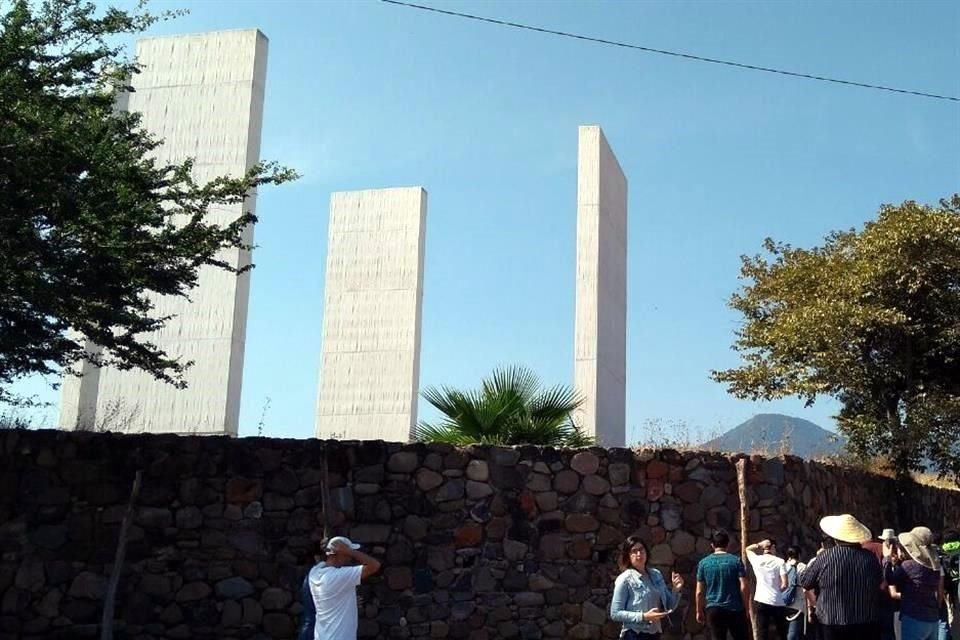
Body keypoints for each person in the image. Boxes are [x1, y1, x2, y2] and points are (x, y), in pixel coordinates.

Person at [799, 514, 882, 640]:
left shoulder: (826, 557)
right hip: (865, 621)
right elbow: (878, 580)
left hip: (831, 620)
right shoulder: (869, 558)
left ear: (835, 538)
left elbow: (805, 581)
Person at [610, 534, 684, 639]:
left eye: (641, 550)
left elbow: (669, 606)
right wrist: (643, 616)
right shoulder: (625, 579)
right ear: (628, 555)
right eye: (634, 551)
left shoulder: (656, 574)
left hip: (654, 633)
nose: (639, 554)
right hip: (634, 634)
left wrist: (676, 590)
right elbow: (615, 613)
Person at [307, 535, 381, 640]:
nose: (349, 558)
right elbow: (375, 565)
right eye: (347, 554)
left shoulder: (314, 572)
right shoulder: (339, 577)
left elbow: (324, 560)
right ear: (340, 553)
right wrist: (348, 551)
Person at [887, 528, 943, 640]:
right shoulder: (935, 566)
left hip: (914, 617)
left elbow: (890, 579)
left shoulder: (908, 566)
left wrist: (888, 561)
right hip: (932, 617)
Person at [695, 529, 750, 640]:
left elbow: (699, 592)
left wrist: (699, 610)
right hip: (735, 607)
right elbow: (744, 586)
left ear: (712, 545)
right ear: (728, 544)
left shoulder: (703, 563)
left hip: (713, 608)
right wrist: (747, 607)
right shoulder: (736, 561)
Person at [746, 537, 788, 640]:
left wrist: (760, 544)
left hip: (761, 599)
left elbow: (747, 549)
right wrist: (778, 590)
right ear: (773, 547)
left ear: (763, 549)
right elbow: (785, 584)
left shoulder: (756, 560)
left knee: (762, 632)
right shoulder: (780, 561)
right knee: (782, 632)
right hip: (777, 601)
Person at [781, 546, 807, 640]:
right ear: (799, 555)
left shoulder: (782, 565)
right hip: (798, 605)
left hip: (782, 602)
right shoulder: (803, 567)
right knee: (794, 633)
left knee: (785, 631)